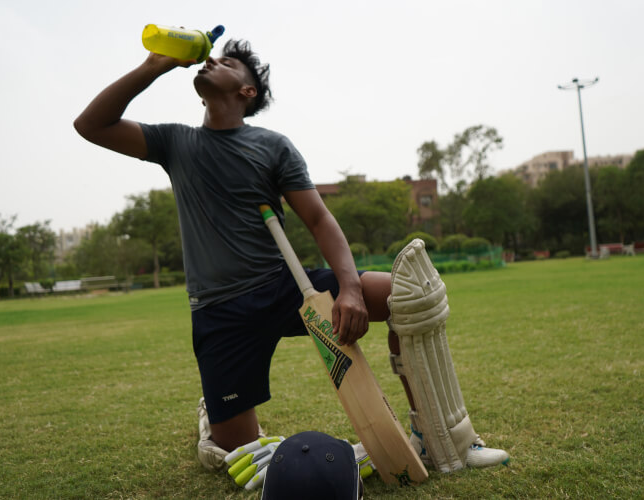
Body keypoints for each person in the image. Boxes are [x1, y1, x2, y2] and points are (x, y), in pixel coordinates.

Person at [74, 38, 508, 485]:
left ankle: (445, 438)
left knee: (409, 295)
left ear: (247, 91)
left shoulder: (271, 145)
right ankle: (213, 419)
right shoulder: (175, 142)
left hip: (284, 287)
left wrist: (351, 289)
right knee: (235, 454)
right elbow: (90, 125)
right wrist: (154, 65)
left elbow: (319, 219)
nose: (211, 61)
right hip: (219, 311)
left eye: (227, 62)